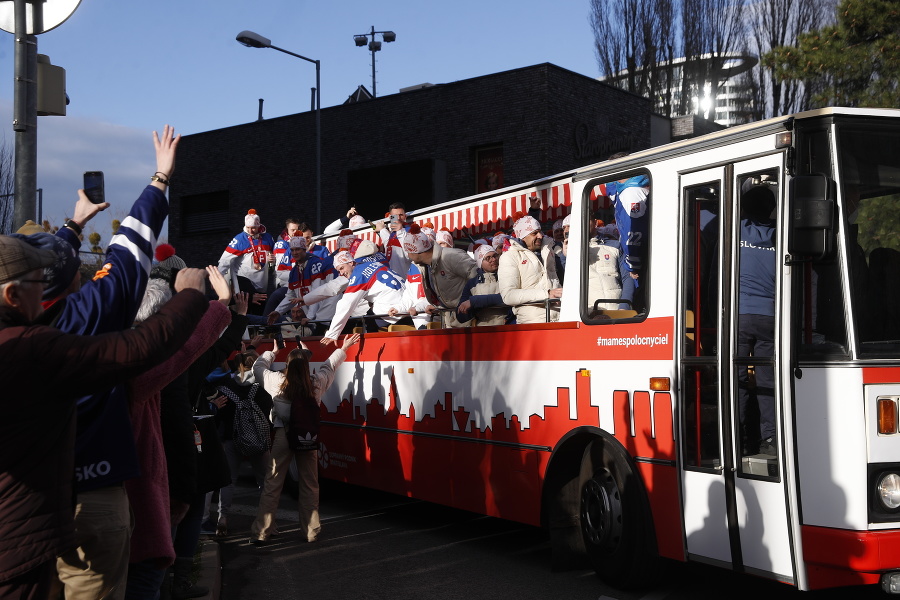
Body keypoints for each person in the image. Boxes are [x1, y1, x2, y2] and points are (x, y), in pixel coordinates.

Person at [18, 125, 182, 600]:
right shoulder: (89, 310)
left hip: (23, 501)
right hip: (94, 492)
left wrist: (69, 229)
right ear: (72, 278)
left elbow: (46, 273)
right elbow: (130, 249)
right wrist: (159, 178)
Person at [0, 240, 210, 600]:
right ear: (13, 295)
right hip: (37, 528)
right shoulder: (32, 347)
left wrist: (74, 227)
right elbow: (141, 349)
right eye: (40, 283)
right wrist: (194, 299)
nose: (49, 291)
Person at [123, 266, 233, 600]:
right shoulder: (138, 369)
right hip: (143, 499)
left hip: (126, 499)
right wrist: (209, 300)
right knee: (144, 581)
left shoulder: (102, 349)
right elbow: (189, 348)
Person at [250, 333, 361, 544]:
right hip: (308, 436)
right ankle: (311, 531)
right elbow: (329, 366)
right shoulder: (316, 382)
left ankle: (262, 531)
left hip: (284, 434)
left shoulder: (277, 381)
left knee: (273, 483)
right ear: (307, 366)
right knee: (310, 484)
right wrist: (344, 347)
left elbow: (258, 368)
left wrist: (272, 352)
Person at [737, 182, 778, 457]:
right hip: (770, 317)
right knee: (767, 379)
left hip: (738, 316)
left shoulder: (736, 230)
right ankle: (771, 437)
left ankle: (738, 436)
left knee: (736, 378)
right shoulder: (779, 236)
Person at [321, 241, 410, 344]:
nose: (341, 273)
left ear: (351, 262)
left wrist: (332, 334)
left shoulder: (359, 273)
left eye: (341, 268)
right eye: (338, 270)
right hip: (407, 306)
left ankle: (372, 349)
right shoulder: (376, 263)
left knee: (367, 318)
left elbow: (345, 305)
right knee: (368, 314)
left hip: (393, 310)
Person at [403, 224, 477, 328]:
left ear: (417, 252)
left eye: (408, 252)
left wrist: (472, 302)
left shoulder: (451, 256)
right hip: (449, 318)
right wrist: (437, 305)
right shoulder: (426, 266)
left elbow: (480, 277)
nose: (408, 256)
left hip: (468, 318)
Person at [498, 213, 562, 324]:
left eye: (540, 231)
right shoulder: (509, 257)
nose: (540, 236)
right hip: (533, 324)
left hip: (560, 318)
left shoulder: (548, 250)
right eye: (534, 233)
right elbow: (508, 295)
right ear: (522, 236)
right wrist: (546, 294)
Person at [217, 209, 275, 295]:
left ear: (259, 226)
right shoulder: (240, 239)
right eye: (248, 227)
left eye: (253, 228)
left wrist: (272, 260)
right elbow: (224, 260)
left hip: (262, 285)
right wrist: (218, 278)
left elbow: (275, 257)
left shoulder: (268, 238)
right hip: (244, 285)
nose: (250, 231)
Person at [457, 244, 513, 326]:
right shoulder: (472, 283)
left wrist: (475, 302)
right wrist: (471, 310)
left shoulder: (508, 276)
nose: (493, 259)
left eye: (495, 256)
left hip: (507, 326)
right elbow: (460, 316)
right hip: (483, 329)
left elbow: (509, 297)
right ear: (480, 262)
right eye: (488, 258)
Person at [373, 202, 412, 281]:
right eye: (394, 216)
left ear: (405, 216)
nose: (398, 218)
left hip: (407, 281)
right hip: (393, 281)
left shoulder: (410, 232)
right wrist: (381, 230)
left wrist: (400, 230)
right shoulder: (392, 234)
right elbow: (387, 241)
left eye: (401, 215)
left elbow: (410, 255)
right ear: (390, 217)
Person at [273, 218, 302, 288]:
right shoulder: (281, 244)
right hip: (283, 281)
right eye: (292, 230)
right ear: (287, 230)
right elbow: (280, 266)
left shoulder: (300, 241)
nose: (295, 232)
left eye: (297, 230)